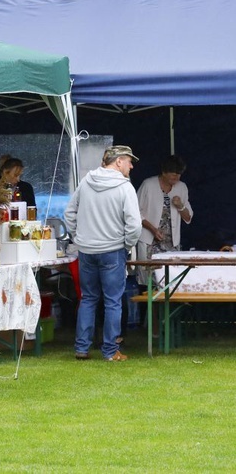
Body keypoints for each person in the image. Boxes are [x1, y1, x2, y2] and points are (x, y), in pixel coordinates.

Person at [64, 145, 142, 362]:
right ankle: (109, 351)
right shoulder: (125, 187)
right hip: (113, 250)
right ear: (118, 162)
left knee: (88, 299)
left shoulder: (86, 182)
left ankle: (82, 348)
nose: (131, 165)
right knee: (113, 301)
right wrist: (127, 245)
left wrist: (79, 237)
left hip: (87, 251)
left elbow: (69, 213)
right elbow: (134, 225)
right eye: (128, 160)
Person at [135, 155, 193, 335]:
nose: (176, 178)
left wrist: (180, 205)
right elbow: (135, 213)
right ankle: (148, 326)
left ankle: (167, 325)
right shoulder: (148, 185)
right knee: (148, 283)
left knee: (169, 282)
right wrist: (153, 229)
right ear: (163, 172)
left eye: (179, 175)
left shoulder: (181, 188)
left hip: (171, 243)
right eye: (173, 175)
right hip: (150, 240)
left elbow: (188, 217)